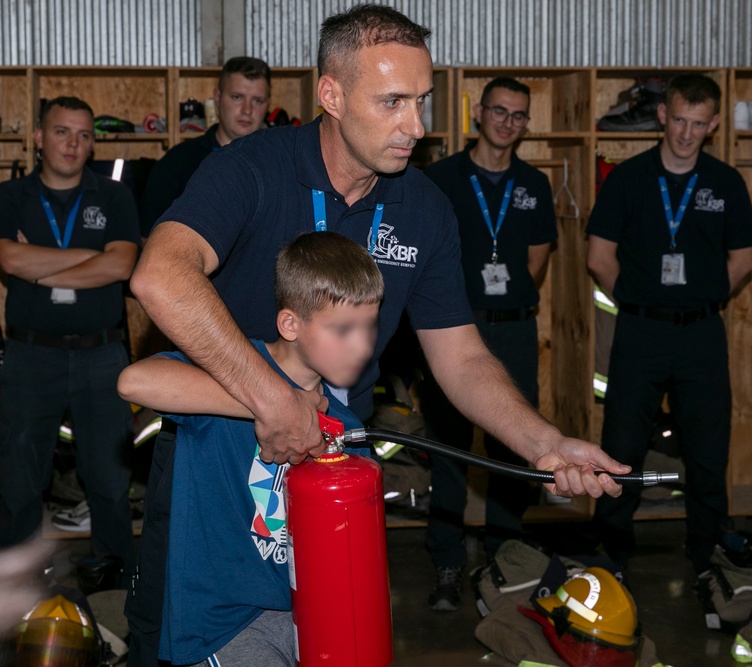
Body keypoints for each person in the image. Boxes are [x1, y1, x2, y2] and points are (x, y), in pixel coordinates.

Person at [125, 5, 627, 664]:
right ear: (330, 95)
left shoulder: (422, 207)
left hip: (332, 476)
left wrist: (546, 442)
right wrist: (271, 399)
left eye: (421, 101)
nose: (415, 126)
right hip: (211, 475)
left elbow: (460, 354)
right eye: (391, 101)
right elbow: (160, 275)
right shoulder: (254, 168)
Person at [117, 232, 381, 666]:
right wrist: (273, 405)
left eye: (369, 326)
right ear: (290, 324)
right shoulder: (233, 373)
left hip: (303, 617)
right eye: (343, 329)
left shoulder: (347, 426)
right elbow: (135, 381)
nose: (362, 345)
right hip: (223, 622)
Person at [585, 73, 752, 575]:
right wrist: (643, 302)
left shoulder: (724, 182)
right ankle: (611, 552)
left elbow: (744, 259)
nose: (686, 133)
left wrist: (701, 299)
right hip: (641, 331)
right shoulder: (629, 177)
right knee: (621, 446)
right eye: (679, 120)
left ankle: (708, 553)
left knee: (708, 450)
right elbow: (600, 258)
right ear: (663, 115)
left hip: (702, 332)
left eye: (698, 124)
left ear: (715, 124)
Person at [420, 77, 557, 611]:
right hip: (455, 330)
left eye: (518, 115)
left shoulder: (534, 184)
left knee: (515, 446)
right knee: (450, 448)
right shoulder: (441, 179)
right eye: (499, 111)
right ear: (479, 113)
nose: (507, 122)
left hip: (515, 327)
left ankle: (505, 555)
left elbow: (537, 259)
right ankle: (448, 562)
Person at [0, 96, 139, 579]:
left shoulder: (115, 196)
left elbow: (121, 264)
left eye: (82, 134)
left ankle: (114, 571)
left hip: (101, 356)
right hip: (28, 357)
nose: (72, 144)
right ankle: (16, 579)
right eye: (61, 132)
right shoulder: (10, 196)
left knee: (108, 477)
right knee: (19, 479)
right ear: (38, 137)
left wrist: (37, 264)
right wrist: (88, 260)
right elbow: (9, 261)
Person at [139, 56, 271, 238]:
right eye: (237, 97)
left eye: (257, 100)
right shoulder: (178, 162)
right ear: (217, 98)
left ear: (268, 104)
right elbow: (148, 239)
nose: (247, 110)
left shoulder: (280, 163)